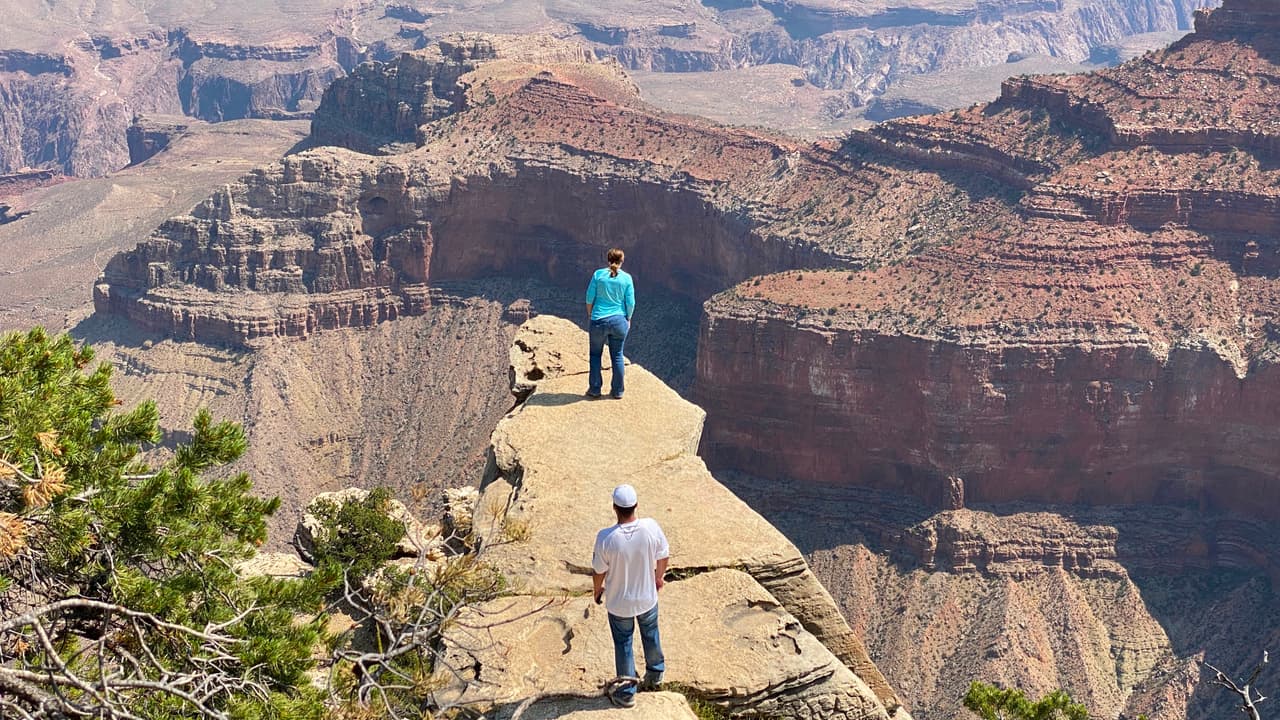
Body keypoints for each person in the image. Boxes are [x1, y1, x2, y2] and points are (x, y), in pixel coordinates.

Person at [591, 484, 668, 708]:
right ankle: (655, 675)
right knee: (651, 634)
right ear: (636, 506)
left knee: (624, 643)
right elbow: (663, 555)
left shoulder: (606, 537)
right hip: (647, 598)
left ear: (615, 508)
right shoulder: (650, 527)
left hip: (619, 604)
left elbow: (599, 571)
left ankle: (626, 694)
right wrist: (659, 577)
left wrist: (598, 590)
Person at [585, 248, 634, 399]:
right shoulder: (626, 278)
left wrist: (590, 314)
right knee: (617, 355)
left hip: (598, 320)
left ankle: (595, 389)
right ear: (622, 261)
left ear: (608, 259)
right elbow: (630, 303)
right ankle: (618, 391)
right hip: (619, 322)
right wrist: (628, 318)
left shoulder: (598, 275)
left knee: (595, 355)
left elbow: (589, 298)